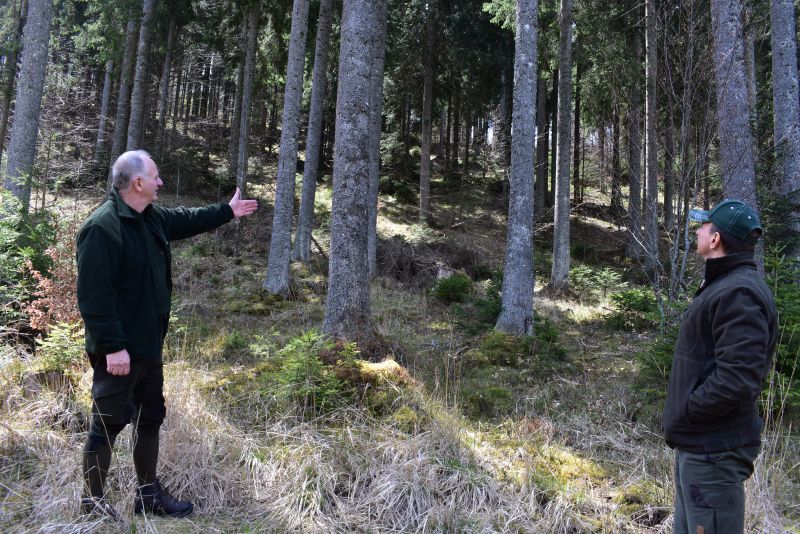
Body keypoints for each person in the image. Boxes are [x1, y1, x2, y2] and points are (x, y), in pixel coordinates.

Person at [77, 150, 257, 519]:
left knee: (151, 416)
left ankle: (147, 496)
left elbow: (186, 219)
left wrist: (227, 210)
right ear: (138, 182)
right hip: (119, 352)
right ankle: (92, 505)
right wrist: (113, 348)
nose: (161, 183)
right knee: (108, 423)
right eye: (156, 177)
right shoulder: (102, 227)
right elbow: (94, 297)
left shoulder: (150, 218)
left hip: (147, 345)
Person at [663, 199, 777, 534]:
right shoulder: (724, 286)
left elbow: (737, 378)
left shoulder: (738, 292)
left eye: (704, 226)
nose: (697, 230)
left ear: (715, 240)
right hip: (699, 446)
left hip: (714, 449)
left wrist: (689, 410)